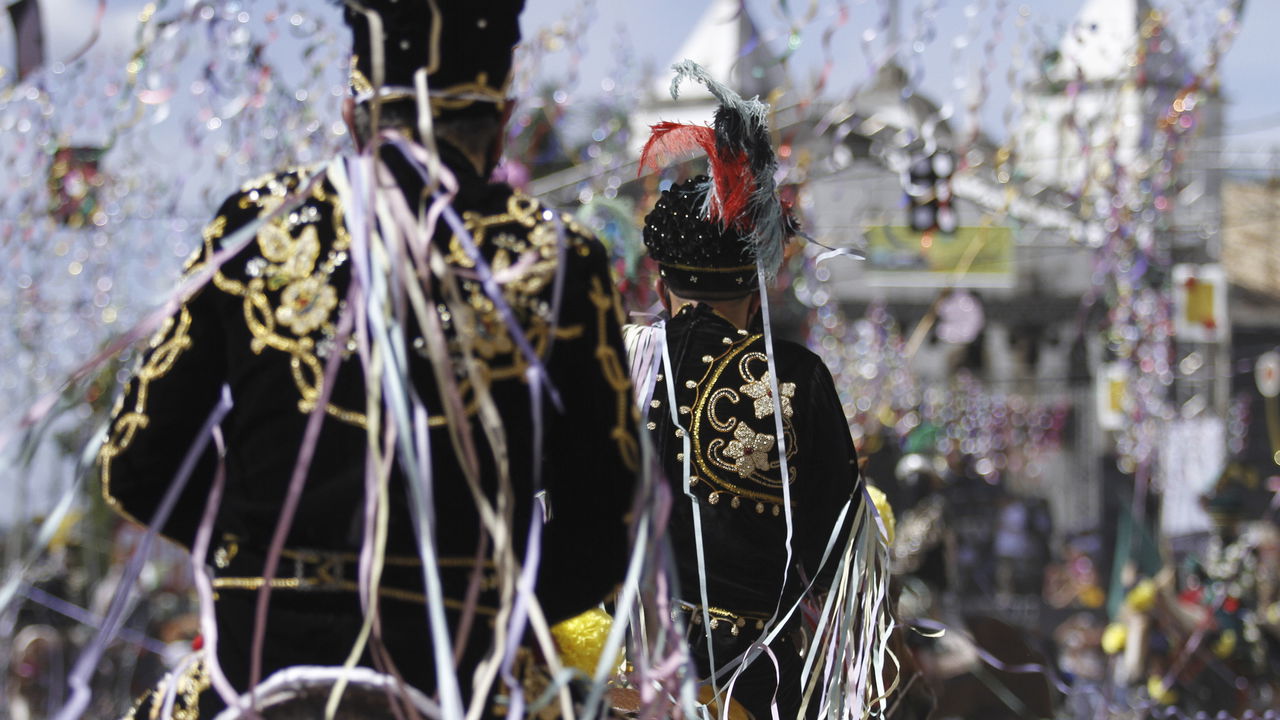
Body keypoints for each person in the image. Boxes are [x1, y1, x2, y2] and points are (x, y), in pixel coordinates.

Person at [100, 1, 640, 716]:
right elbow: (610, 522)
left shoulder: (255, 228)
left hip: (255, 668)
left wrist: (262, 551)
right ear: (502, 119)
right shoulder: (558, 256)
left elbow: (134, 464)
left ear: (355, 116)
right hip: (455, 672)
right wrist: (487, 592)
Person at [624, 63, 864, 719]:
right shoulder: (795, 377)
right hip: (748, 685)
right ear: (760, 280)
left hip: (608, 671)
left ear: (660, 279)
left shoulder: (611, 362)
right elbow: (836, 551)